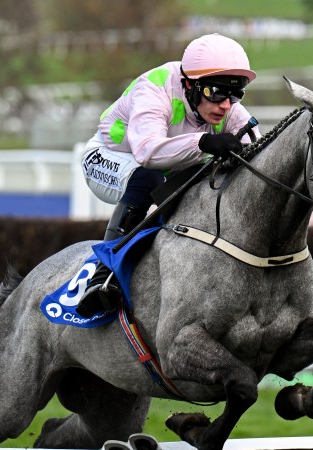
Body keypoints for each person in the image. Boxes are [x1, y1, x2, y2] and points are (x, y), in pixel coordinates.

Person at [76, 33, 260, 318]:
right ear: (190, 85)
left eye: (235, 94)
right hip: (110, 159)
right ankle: (103, 276)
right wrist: (203, 142)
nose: (226, 105)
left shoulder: (226, 106)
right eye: (217, 93)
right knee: (148, 178)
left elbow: (256, 156)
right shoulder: (154, 88)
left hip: (164, 166)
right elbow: (147, 152)